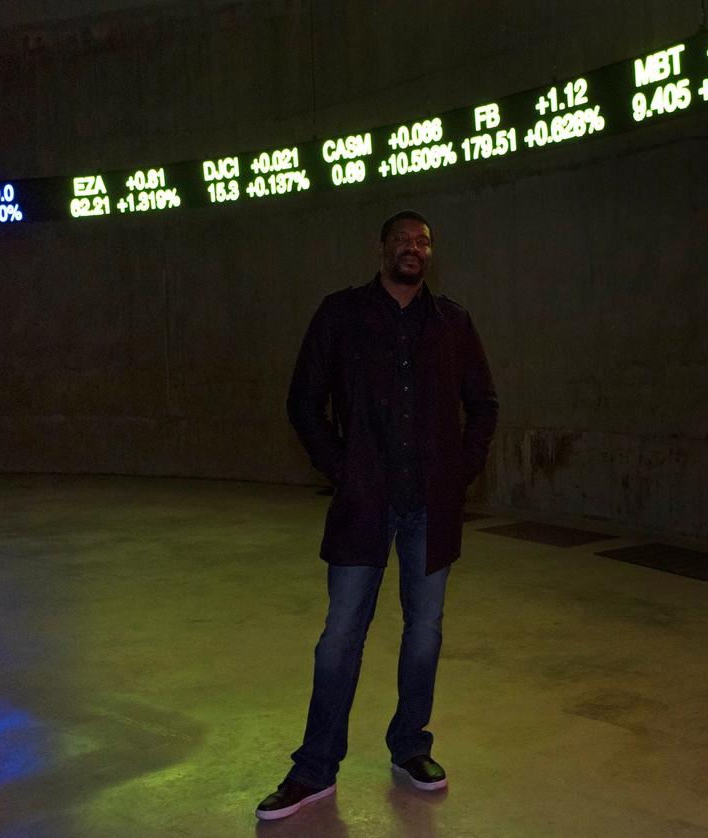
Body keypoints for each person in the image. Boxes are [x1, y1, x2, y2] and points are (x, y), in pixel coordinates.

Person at [255, 210, 498, 820]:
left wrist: (460, 471)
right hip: (364, 506)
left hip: (430, 510)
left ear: (430, 255)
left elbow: (484, 405)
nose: (412, 249)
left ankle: (410, 746)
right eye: (402, 240)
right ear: (382, 248)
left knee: (424, 634)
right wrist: (345, 469)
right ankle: (314, 768)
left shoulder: (452, 323)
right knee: (340, 636)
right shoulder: (341, 315)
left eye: (423, 242)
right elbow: (303, 401)